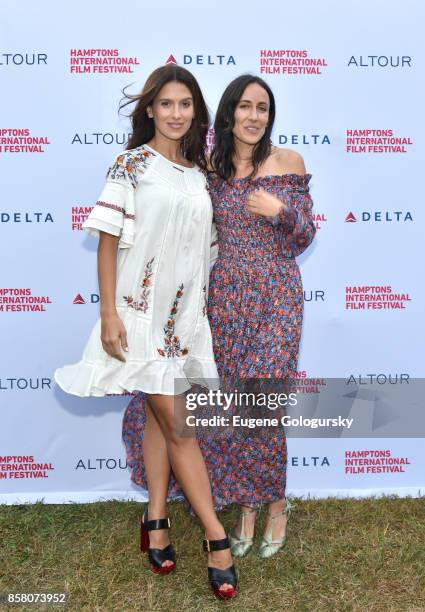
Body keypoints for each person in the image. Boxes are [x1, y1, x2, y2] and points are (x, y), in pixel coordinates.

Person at [54, 64, 237, 599]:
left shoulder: (201, 175)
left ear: (195, 113)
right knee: (180, 426)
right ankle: (216, 536)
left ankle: (155, 519)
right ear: (150, 109)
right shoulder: (131, 165)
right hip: (138, 315)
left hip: (184, 321)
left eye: (185, 105)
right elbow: (109, 240)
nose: (176, 113)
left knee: (162, 421)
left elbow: (203, 251)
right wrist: (109, 313)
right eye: (166, 104)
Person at [200, 73, 316, 558]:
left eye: (262, 108)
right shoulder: (211, 168)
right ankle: (246, 505)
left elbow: (305, 235)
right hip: (225, 298)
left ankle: (276, 505)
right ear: (228, 114)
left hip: (276, 296)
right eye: (244, 107)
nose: (253, 117)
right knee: (234, 404)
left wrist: (279, 211)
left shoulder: (287, 161)